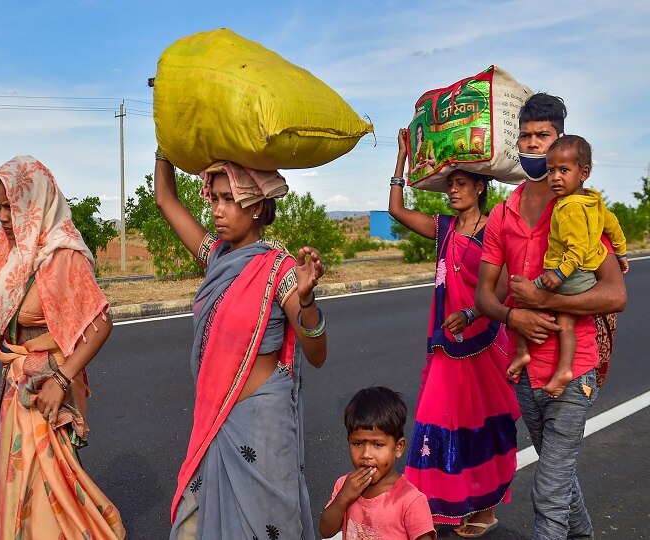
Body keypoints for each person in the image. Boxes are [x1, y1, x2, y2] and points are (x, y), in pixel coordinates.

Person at [476, 93, 627, 539]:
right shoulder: (502, 215)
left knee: (547, 491)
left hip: (574, 369)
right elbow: (488, 294)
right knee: (558, 481)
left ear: (562, 143)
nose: (533, 145)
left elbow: (615, 295)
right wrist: (510, 317)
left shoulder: (580, 213)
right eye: (525, 136)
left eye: (543, 136)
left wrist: (544, 303)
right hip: (525, 374)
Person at [154, 152, 327, 540]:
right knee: (192, 526)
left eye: (229, 200)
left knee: (264, 527)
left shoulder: (279, 271)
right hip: (216, 420)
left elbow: (317, 354)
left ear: (257, 206)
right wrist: (164, 138)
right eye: (214, 198)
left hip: (261, 424)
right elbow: (165, 199)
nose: (217, 210)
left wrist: (309, 301)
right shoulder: (216, 257)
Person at [0, 156, 125, 539]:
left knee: (51, 499)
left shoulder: (62, 255)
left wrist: (60, 378)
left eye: (10, 206)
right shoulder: (18, 255)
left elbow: (100, 324)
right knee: (22, 494)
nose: (3, 217)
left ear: (34, 202)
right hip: (18, 389)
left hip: (46, 393)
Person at [390, 129, 521, 538]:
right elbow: (395, 210)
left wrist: (469, 311)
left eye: (461, 184)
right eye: (450, 186)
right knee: (437, 420)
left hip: (484, 341)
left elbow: (502, 288)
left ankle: (483, 506)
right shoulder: (444, 228)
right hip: (448, 346)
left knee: (482, 424)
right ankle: (437, 506)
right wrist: (401, 158)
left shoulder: (495, 229)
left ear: (480, 186)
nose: (453, 192)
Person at [508, 135, 628, 397]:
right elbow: (613, 226)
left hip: (568, 274)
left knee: (522, 297)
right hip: (584, 276)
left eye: (564, 170)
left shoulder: (569, 207)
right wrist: (620, 253)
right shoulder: (594, 202)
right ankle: (563, 369)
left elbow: (576, 250)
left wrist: (557, 275)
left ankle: (522, 353)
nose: (555, 177)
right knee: (566, 324)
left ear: (583, 172)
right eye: (551, 171)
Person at [319, 387, 436, 540]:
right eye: (357, 444)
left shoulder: (410, 501)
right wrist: (343, 498)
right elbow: (326, 531)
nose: (366, 454)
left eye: (377, 445)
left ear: (398, 447)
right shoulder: (344, 485)